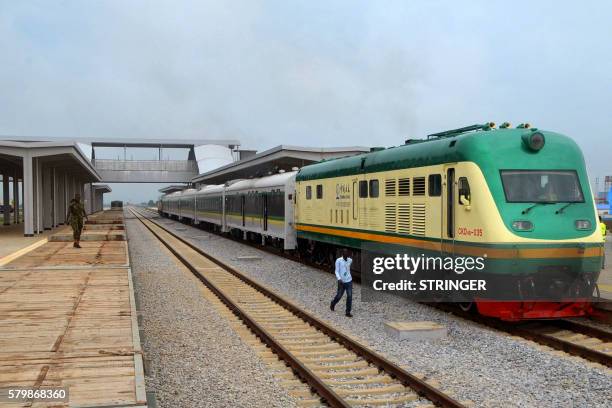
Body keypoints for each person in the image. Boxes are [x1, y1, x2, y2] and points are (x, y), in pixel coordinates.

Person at [330, 249, 353, 317]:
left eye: (347, 252)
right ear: (342, 253)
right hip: (341, 282)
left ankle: (347, 312)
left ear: (348, 254)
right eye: (344, 252)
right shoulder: (338, 260)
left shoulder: (350, 260)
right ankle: (333, 303)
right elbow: (336, 271)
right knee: (339, 296)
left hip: (349, 281)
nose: (346, 254)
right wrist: (339, 279)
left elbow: (348, 269)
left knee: (349, 296)